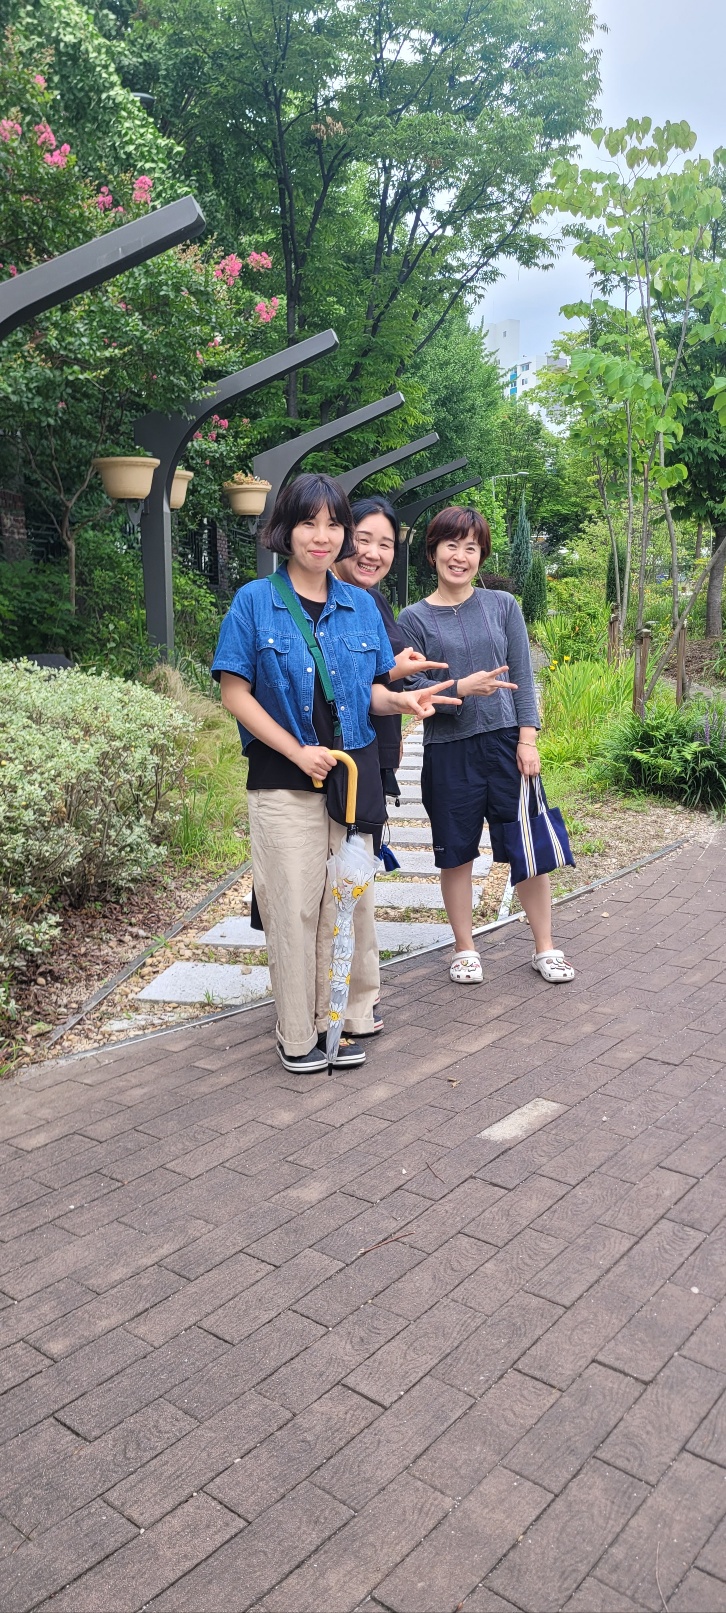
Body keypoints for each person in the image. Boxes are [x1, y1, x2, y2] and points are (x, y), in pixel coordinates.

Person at [212, 472, 459, 1073]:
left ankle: (334, 1025)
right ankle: (296, 1034)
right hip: (283, 779)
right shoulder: (254, 601)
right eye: (308, 523)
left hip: (348, 780)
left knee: (341, 906)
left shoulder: (359, 606)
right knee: (293, 908)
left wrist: (401, 701)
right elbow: (234, 693)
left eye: (332, 525)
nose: (321, 537)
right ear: (286, 529)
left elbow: (367, 691)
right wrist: (298, 751)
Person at [398, 504, 575, 986]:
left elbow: (524, 676)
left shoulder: (503, 606)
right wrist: (461, 689)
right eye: (451, 545)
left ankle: (545, 947)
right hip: (448, 749)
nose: (460, 556)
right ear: (433, 552)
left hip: (505, 744)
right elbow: (412, 692)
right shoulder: (412, 619)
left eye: (471, 548)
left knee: (528, 845)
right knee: (455, 852)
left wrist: (528, 739)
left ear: (481, 556)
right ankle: (465, 948)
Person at [333, 494, 448, 1034]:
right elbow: (368, 676)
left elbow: (392, 672)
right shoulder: (319, 600)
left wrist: (422, 684)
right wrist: (397, 674)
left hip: (369, 759)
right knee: (336, 883)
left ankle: (357, 999)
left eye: (385, 543)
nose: (373, 553)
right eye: (363, 539)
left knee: (356, 879)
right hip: (324, 762)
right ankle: (339, 998)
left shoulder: (372, 602)